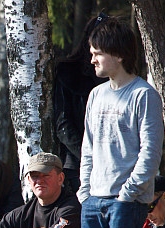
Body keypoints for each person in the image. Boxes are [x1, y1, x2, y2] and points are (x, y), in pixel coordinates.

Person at [78, 15, 164, 228]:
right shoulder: (96, 95)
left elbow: (150, 152)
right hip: (93, 201)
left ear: (118, 54)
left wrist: (127, 194)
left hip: (126, 203)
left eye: (98, 54)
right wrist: (85, 192)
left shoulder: (143, 94)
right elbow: (88, 148)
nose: (92, 60)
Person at [53, 14, 106, 193]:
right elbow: (63, 125)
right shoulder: (68, 73)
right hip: (76, 163)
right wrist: (88, 158)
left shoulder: (119, 81)